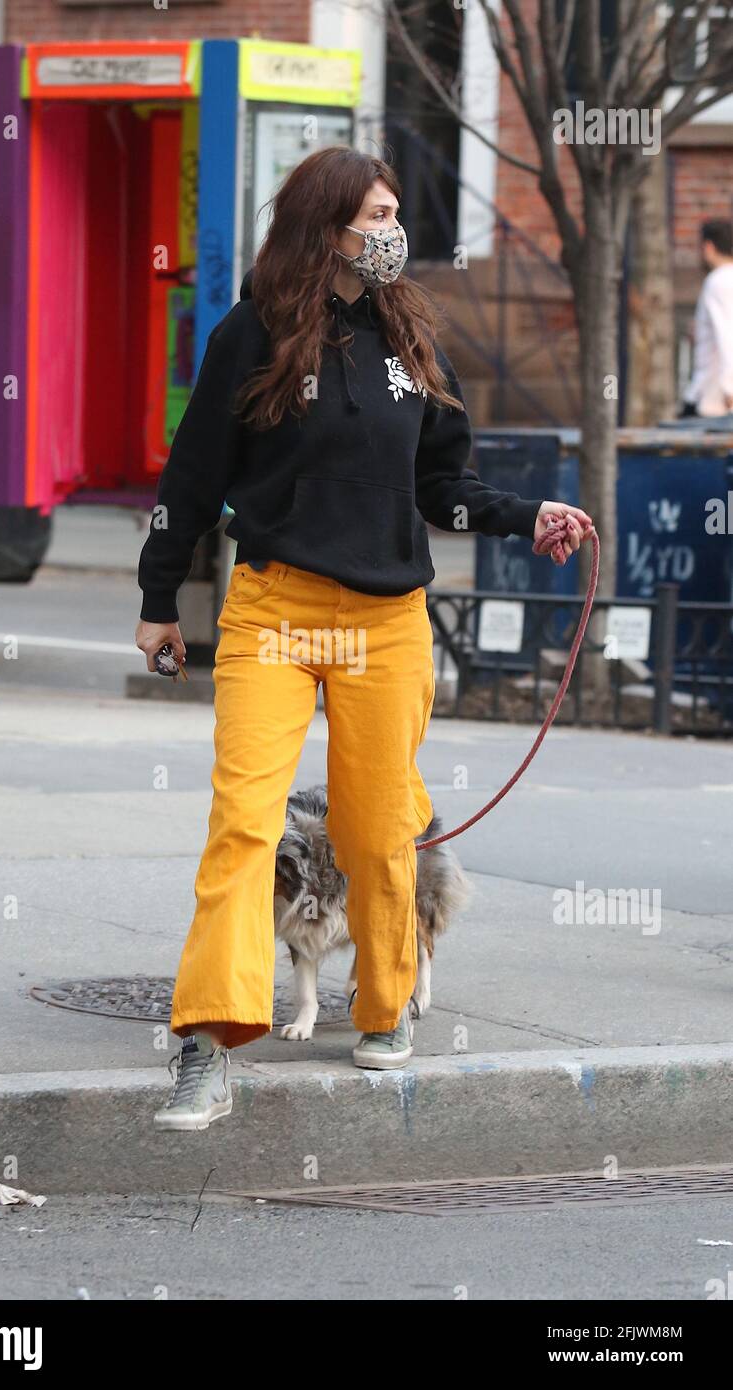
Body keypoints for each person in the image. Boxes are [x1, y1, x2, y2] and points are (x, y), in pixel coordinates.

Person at [134, 147, 594, 1131]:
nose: (390, 234)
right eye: (373, 216)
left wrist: (524, 516)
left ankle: (384, 1009)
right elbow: (191, 472)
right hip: (272, 609)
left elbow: (444, 487)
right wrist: (158, 596)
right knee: (244, 824)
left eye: (394, 215)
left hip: (386, 620)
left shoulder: (410, 334)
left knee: (377, 829)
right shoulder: (250, 332)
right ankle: (209, 1039)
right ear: (324, 225)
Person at [680, 219, 733, 419]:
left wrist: (730, 387)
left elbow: (727, 335)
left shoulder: (718, 282)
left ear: (708, 247)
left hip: (713, 398)